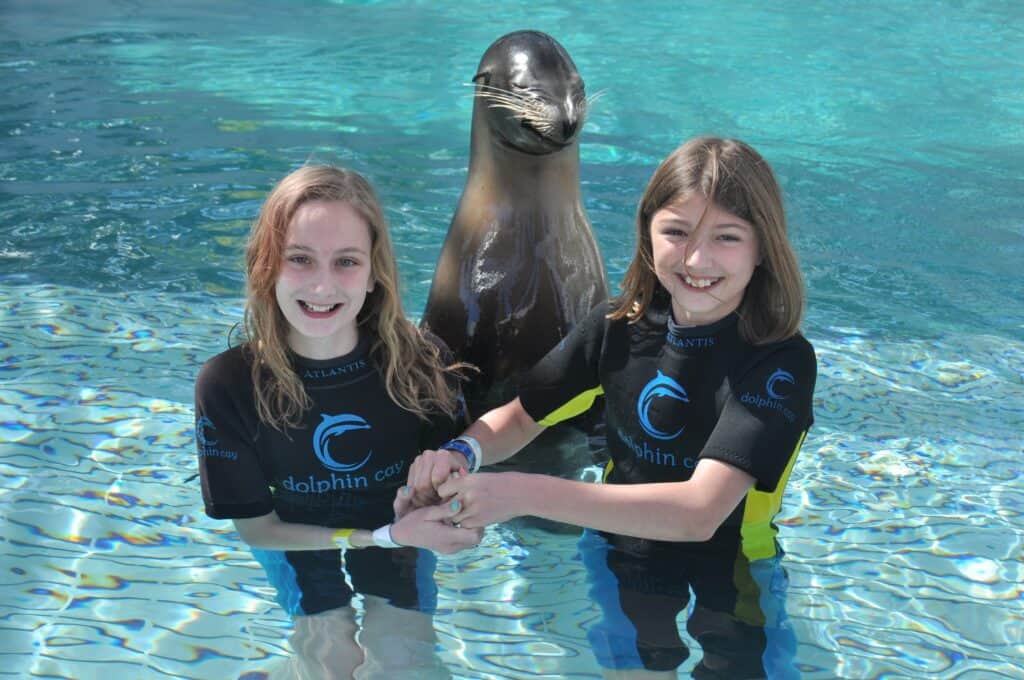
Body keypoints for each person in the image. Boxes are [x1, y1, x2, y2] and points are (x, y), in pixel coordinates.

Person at [407, 136, 816, 678]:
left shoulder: (779, 362)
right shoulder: (616, 327)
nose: (697, 259)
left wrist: (516, 492)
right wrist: (462, 451)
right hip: (623, 554)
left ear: (764, 247)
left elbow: (700, 513)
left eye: (727, 237)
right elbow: (523, 414)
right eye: (676, 231)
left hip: (735, 562)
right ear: (647, 230)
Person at [194, 165, 480, 678]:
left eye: (346, 261)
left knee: (402, 662)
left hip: (400, 536)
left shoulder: (424, 367)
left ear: (374, 274)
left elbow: (458, 487)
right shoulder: (229, 385)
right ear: (267, 266)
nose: (323, 285)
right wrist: (376, 537)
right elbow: (261, 530)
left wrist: (441, 511)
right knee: (330, 659)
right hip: (296, 540)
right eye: (300, 259)